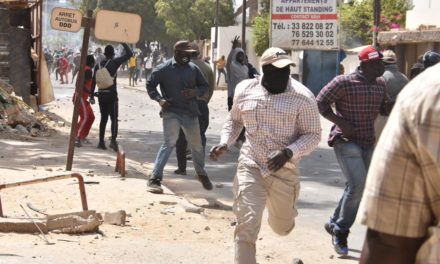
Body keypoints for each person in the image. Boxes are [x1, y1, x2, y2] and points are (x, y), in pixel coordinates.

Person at [210, 47, 321, 264]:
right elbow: (235, 120)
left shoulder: (303, 97)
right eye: (277, 71)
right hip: (251, 164)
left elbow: (313, 135)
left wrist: (289, 152)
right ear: (265, 70)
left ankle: (281, 212)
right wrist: (225, 141)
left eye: (286, 70)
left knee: (282, 228)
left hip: (284, 171)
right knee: (247, 223)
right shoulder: (245, 89)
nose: (283, 75)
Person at [358, 63, 440, 264]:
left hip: (381, 129)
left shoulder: (425, 92)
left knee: (357, 184)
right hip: (364, 133)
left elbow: (389, 241)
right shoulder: (414, 87)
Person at [316, 45, 390, 256]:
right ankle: (340, 231)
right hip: (345, 140)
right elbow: (320, 101)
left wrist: (391, 106)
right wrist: (340, 122)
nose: (381, 67)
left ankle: (333, 222)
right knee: (358, 185)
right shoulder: (343, 82)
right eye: (378, 63)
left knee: (355, 186)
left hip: (368, 141)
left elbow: (383, 108)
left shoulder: (380, 84)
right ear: (366, 64)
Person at [146, 40, 213, 194]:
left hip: (190, 112)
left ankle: (201, 173)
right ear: (176, 53)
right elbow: (150, 85)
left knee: (197, 146)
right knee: (169, 143)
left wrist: (195, 92)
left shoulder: (193, 69)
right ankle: (154, 179)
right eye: (185, 54)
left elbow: (204, 86)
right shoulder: (163, 69)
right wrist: (160, 99)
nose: (188, 57)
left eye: (190, 54)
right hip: (172, 112)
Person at [174, 43, 214, 176]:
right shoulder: (208, 67)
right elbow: (210, 88)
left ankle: (182, 168)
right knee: (200, 135)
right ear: (199, 53)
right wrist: (204, 100)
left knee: (181, 137)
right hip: (202, 104)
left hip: (186, 105)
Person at [91, 43, 132, 151]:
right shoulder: (114, 62)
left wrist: (91, 95)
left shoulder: (98, 65)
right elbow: (130, 54)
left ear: (104, 54)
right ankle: (113, 141)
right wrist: (124, 43)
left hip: (101, 95)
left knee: (103, 119)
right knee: (113, 119)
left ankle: (101, 142)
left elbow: (93, 82)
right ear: (113, 54)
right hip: (112, 95)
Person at [374, 50, 408, 141]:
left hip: (382, 118)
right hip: (400, 119)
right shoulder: (404, 78)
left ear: (382, 62)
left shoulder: (380, 78)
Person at [73, 55, 95, 147]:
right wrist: (91, 92)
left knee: (91, 117)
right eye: (93, 62)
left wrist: (90, 94)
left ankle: (82, 136)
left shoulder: (84, 69)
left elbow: (83, 84)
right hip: (80, 97)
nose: (94, 64)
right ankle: (77, 137)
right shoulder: (88, 70)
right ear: (91, 62)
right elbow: (81, 85)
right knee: (85, 117)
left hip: (82, 97)